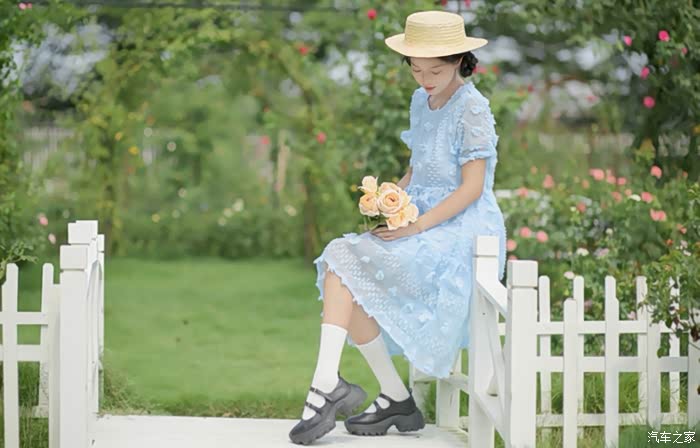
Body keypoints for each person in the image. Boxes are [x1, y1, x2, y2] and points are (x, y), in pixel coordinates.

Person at [289, 9, 506, 445]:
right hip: (419, 216)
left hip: (462, 227)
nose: (425, 80)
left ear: (460, 61)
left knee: (344, 260)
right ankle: (389, 395)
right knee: (342, 261)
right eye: (416, 69)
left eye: (435, 71)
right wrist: (388, 200)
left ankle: (334, 386)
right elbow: (418, 168)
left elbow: (471, 188)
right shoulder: (420, 102)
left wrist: (415, 226)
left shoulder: (473, 108)